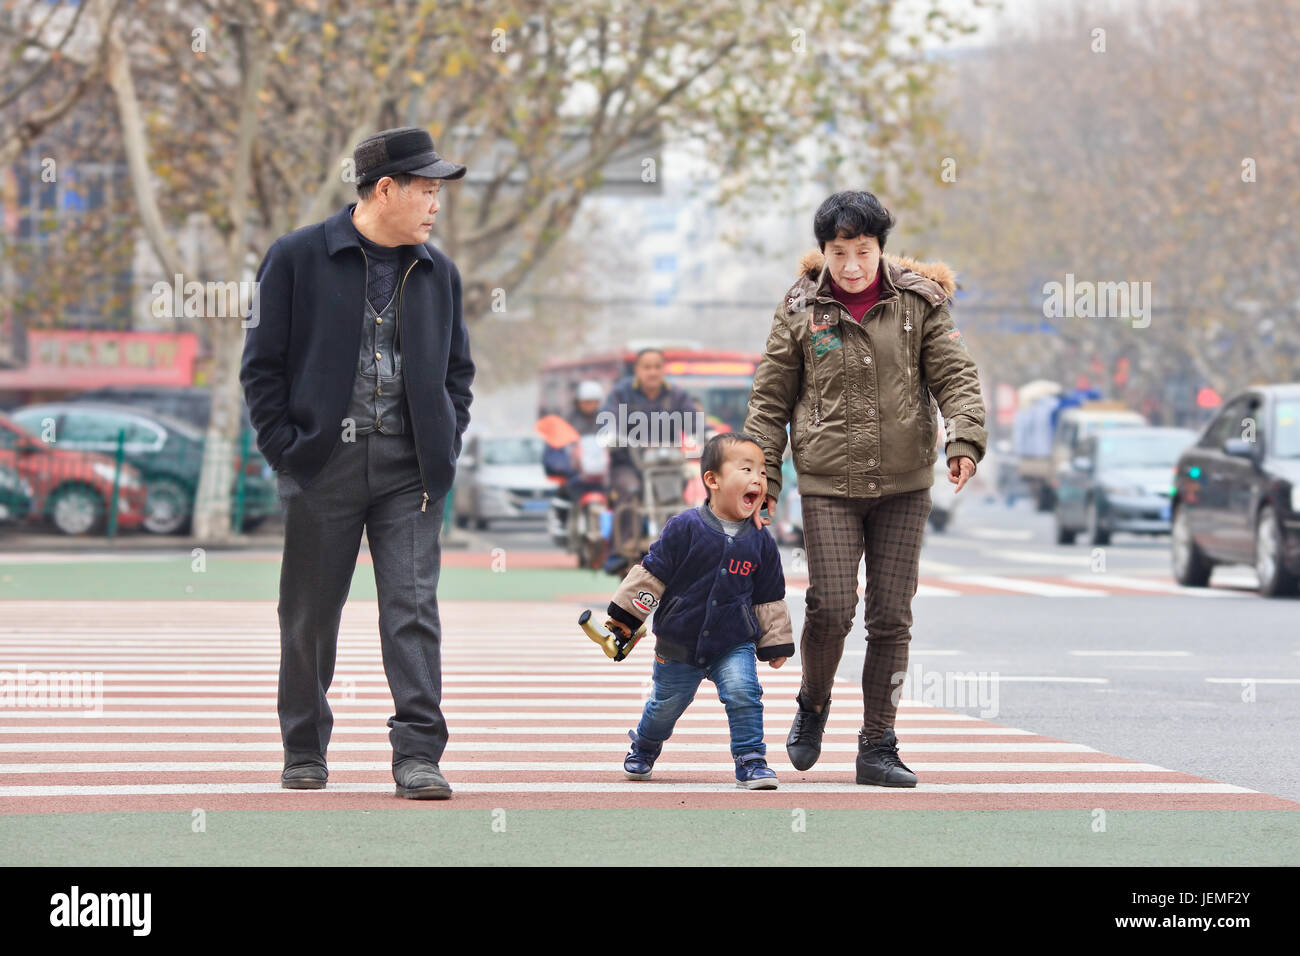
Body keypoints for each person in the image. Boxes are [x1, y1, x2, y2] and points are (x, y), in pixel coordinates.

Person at [240, 126, 474, 800]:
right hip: (323, 467)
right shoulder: (296, 259)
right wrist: (289, 452)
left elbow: (459, 372)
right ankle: (304, 749)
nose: (435, 205)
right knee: (310, 614)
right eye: (426, 191)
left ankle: (418, 755)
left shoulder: (440, 273)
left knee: (412, 608)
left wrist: (445, 441)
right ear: (384, 189)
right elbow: (261, 370)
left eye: (438, 192)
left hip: (412, 474)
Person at [744, 190, 986, 787]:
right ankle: (813, 703)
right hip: (828, 483)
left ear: (881, 248)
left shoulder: (918, 305)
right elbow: (769, 401)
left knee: (891, 616)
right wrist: (763, 477)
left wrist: (964, 441)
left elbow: (956, 376)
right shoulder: (801, 309)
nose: (851, 265)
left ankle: (878, 743)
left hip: (904, 485)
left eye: (863, 250)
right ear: (823, 251)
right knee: (830, 608)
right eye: (838, 251)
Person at [605, 432, 795, 789]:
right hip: (679, 642)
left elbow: (769, 595)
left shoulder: (760, 540)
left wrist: (775, 643)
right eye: (746, 469)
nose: (758, 478)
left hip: (733, 640)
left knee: (744, 693)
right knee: (664, 706)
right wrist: (625, 618)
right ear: (713, 480)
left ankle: (751, 760)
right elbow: (651, 575)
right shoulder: (685, 527)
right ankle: (645, 745)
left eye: (763, 472)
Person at [599, 348, 703, 573]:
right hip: (628, 463)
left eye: (657, 366)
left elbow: (695, 420)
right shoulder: (621, 393)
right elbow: (609, 417)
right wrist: (610, 434)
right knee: (630, 491)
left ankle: (682, 548)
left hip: (667, 464)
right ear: (637, 370)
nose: (652, 372)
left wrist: (709, 433)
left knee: (675, 497)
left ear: (663, 369)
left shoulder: (677, 395)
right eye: (647, 367)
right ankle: (619, 551)